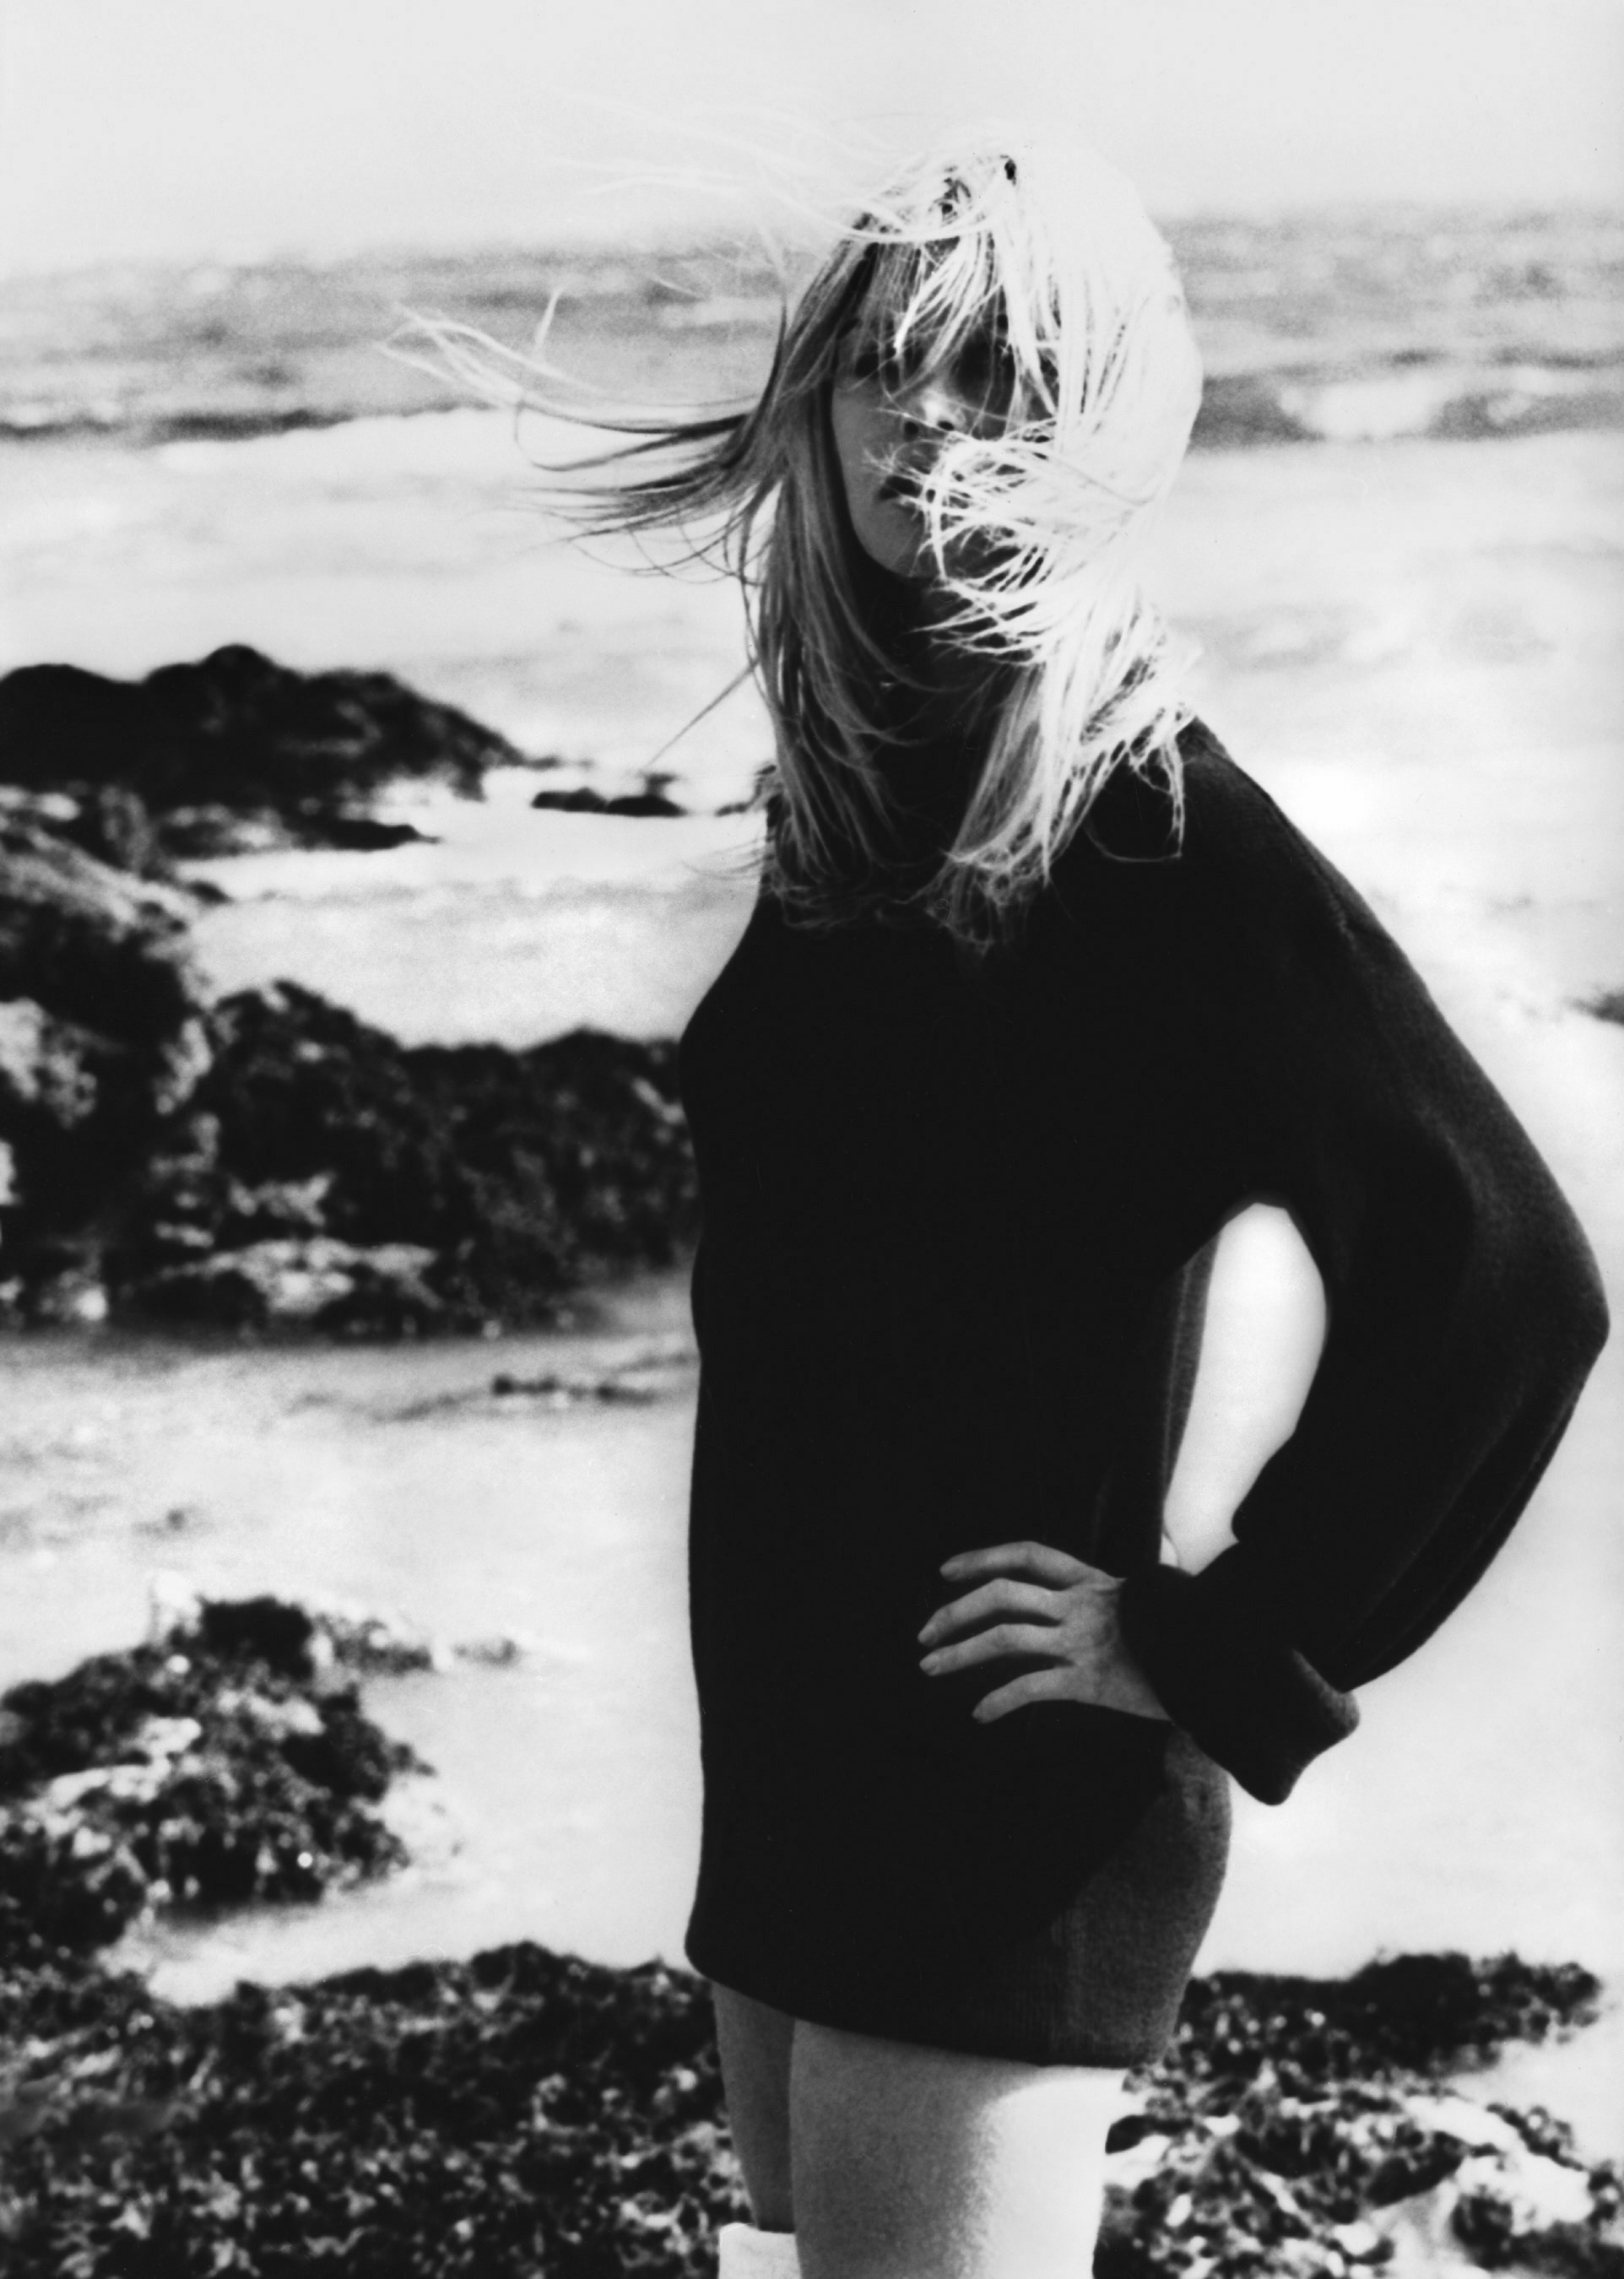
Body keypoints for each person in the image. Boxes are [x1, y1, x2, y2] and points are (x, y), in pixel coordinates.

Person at [515, 138, 1609, 2279]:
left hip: (993, 1795)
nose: (921, 423)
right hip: (801, 1751)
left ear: (1093, 422)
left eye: (995, 375)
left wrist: (1220, 1643)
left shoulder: (1143, 822)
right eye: (880, 367)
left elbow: (1500, 1277)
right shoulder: (861, 804)